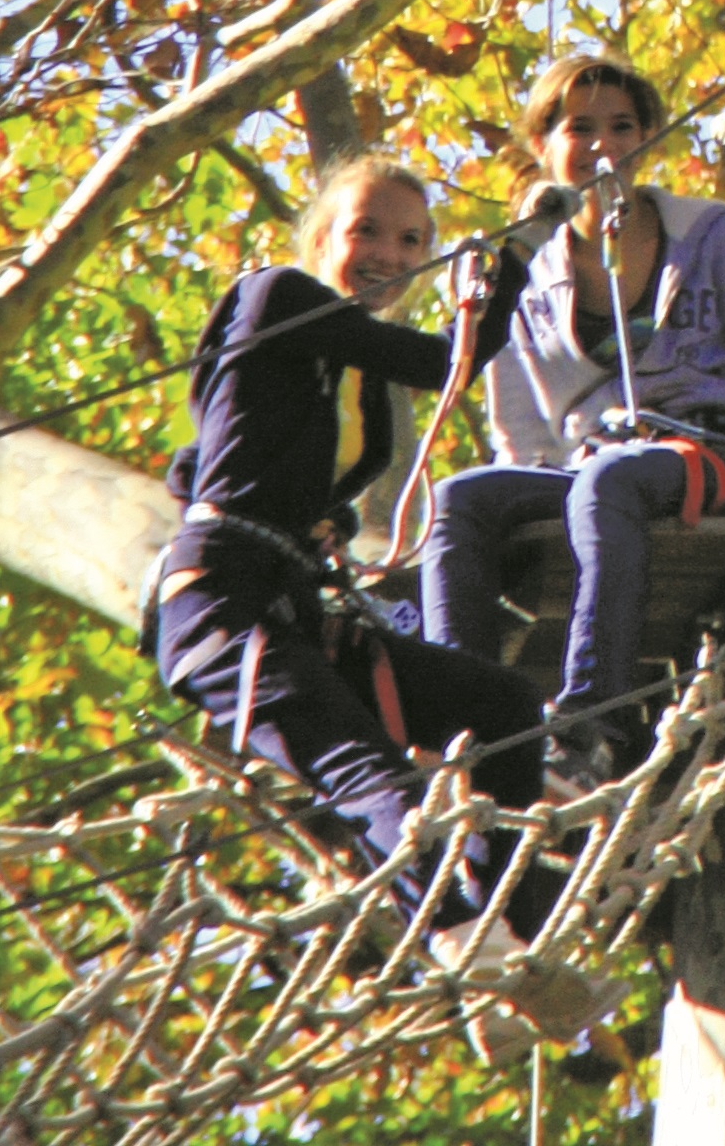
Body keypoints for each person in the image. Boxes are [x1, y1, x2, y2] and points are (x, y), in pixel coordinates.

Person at [149, 153, 558, 938]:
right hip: (223, 606)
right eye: (365, 230)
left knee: (503, 706)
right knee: (367, 772)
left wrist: (323, 523)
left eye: (412, 240)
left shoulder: (361, 380)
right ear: (319, 239)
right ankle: (456, 933)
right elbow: (450, 364)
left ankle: (510, 921)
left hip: (297, 607)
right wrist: (520, 252)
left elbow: (199, 461)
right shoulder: (276, 296)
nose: (390, 256)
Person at [415, 53, 725, 777]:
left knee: (611, 478)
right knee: (459, 498)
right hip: (594, 469)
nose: (603, 146)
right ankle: (462, 727)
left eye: (622, 127)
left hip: (716, 458)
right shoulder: (520, 272)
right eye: (579, 128)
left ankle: (591, 727)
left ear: (647, 140)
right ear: (543, 147)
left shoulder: (711, 237)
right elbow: (519, 436)